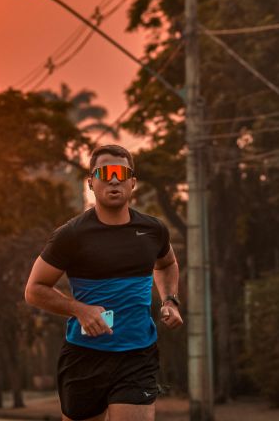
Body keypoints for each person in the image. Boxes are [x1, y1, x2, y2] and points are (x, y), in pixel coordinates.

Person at [25, 144, 183, 421]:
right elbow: (34, 290)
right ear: (91, 182)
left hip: (138, 354)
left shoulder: (153, 230)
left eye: (121, 173)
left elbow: (167, 263)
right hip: (85, 355)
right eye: (105, 172)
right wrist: (80, 310)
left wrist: (170, 300)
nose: (113, 179)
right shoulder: (70, 235)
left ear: (132, 182)